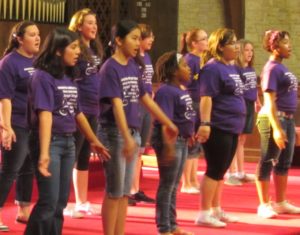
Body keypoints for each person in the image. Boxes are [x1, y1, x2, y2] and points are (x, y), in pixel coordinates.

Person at [24, 27, 110, 235]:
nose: (78, 52)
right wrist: (44, 153)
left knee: (61, 202)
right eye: (73, 47)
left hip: (68, 142)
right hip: (49, 142)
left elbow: (77, 113)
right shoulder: (42, 77)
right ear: (58, 50)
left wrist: (93, 140)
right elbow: (45, 116)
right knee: (49, 202)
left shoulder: (67, 77)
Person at [98, 20, 178, 235]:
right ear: (118, 40)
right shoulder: (110, 68)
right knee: (114, 191)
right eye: (133, 38)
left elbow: (145, 98)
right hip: (114, 133)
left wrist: (168, 122)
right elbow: (116, 106)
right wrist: (126, 137)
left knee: (124, 192)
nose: (137, 43)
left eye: (138, 38)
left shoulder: (134, 65)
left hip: (131, 132)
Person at [195, 28, 245, 228]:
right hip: (218, 126)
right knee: (214, 169)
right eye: (232, 43)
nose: (237, 46)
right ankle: (204, 213)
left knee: (222, 170)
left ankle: (216, 209)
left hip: (232, 126)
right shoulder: (212, 68)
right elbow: (206, 97)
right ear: (221, 47)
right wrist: (205, 124)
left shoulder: (231, 67)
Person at [0, 21, 40, 232]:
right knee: (10, 170)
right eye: (32, 34)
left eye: (38, 34)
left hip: (33, 123)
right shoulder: (9, 63)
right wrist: (6, 127)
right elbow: (4, 98)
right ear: (19, 38)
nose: (37, 38)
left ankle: (23, 211)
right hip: (15, 122)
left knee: (28, 169)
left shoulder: (37, 61)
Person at [255, 30, 300, 218]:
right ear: (274, 47)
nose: (290, 46)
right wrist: (276, 129)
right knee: (268, 160)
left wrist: (291, 125)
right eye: (285, 43)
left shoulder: (282, 67)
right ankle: (264, 204)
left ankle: (280, 202)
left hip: (287, 118)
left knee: (284, 162)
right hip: (273, 118)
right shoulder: (271, 68)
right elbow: (269, 100)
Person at [152, 51, 195, 235]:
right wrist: (168, 147)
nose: (189, 69)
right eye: (184, 66)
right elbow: (165, 123)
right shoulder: (166, 91)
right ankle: (164, 228)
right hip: (170, 141)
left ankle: (172, 224)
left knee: (174, 184)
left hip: (182, 140)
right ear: (173, 71)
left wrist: (189, 133)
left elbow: (183, 116)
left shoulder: (180, 90)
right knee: (167, 185)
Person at [66, 8, 103, 218]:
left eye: (95, 22)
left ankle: (82, 201)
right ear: (79, 26)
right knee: (72, 153)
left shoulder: (94, 48)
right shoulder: (75, 49)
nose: (94, 26)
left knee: (84, 156)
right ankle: (65, 201)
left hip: (93, 106)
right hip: (79, 108)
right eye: (89, 22)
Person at [225, 39, 260, 186]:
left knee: (242, 140)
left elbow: (254, 87)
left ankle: (240, 171)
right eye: (247, 50)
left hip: (250, 105)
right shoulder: (237, 69)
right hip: (240, 104)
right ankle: (231, 173)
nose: (250, 53)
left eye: (251, 50)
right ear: (239, 52)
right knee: (235, 139)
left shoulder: (250, 69)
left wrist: (257, 101)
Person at [129, 23, 155, 205]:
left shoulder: (147, 58)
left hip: (147, 105)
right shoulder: (132, 58)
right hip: (136, 104)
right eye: (149, 37)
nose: (152, 40)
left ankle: (136, 188)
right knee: (133, 149)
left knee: (140, 151)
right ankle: (129, 189)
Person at [179, 28, 208, 194]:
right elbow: (183, 83)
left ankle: (193, 179)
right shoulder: (190, 59)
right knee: (190, 143)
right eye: (203, 39)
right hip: (191, 102)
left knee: (196, 143)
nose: (206, 41)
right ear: (194, 43)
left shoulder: (201, 59)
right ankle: (186, 182)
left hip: (199, 102)